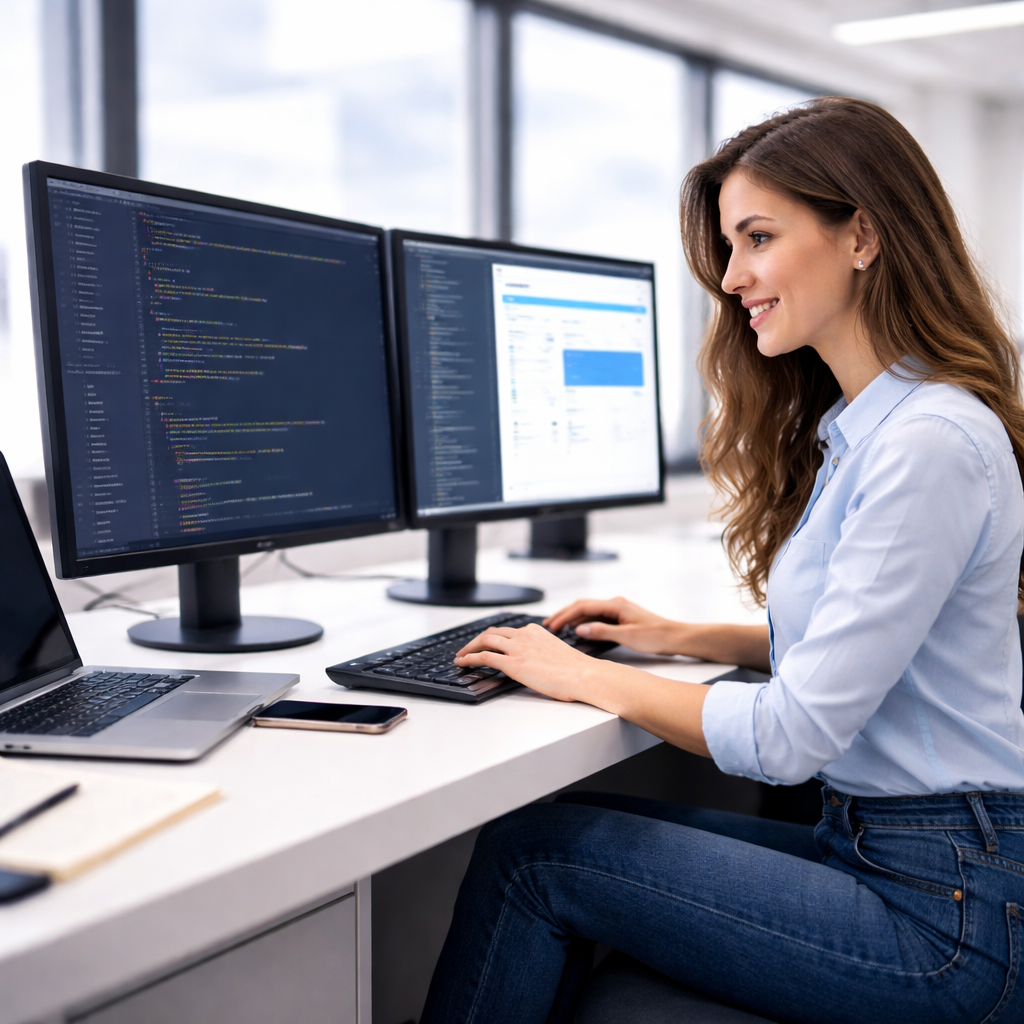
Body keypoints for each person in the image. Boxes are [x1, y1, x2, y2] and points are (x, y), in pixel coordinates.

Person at [419, 97, 1024, 1024]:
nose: (734, 276)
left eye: (757, 238)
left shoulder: (928, 444)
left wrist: (579, 674)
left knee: (537, 857)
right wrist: (681, 636)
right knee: (534, 840)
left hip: (944, 924)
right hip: (906, 861)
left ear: (861, 234)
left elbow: (790, 739)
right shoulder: (874, 428)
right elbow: (868, 652)